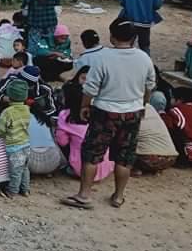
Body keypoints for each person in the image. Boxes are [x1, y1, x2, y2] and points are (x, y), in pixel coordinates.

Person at [62, 19, 156, 210]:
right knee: (125, 156)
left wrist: (84, 106)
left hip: (105, 112)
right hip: (132, 112)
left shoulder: (103, 58)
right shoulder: (144, 58)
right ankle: (118, 196)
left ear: (112, 36)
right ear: (134, 38)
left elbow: (90, 88)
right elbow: (149, 87)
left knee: (92, 153)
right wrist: (142, 104)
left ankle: (84, 195)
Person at [54, 67, 115, 181]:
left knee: (60, 136)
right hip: (106, 168)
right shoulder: (104, 112)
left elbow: (62, 142)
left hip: (81, 170)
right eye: (83, 78)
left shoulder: (66, 116)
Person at [0, 78, 32, 198]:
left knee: (15, 171)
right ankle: (25, 189)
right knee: (25, 169)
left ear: (9, 96)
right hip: (26, 144)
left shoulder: (7, 112)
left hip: (14, 147)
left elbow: (0, 130)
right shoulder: (27, 109)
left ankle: (12, 191)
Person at [133, 92, 179, 174]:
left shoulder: (131, 108)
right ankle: (154, 170)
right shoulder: (151, 108)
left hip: (148, 159)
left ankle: (134, 169)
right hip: (171, 159)